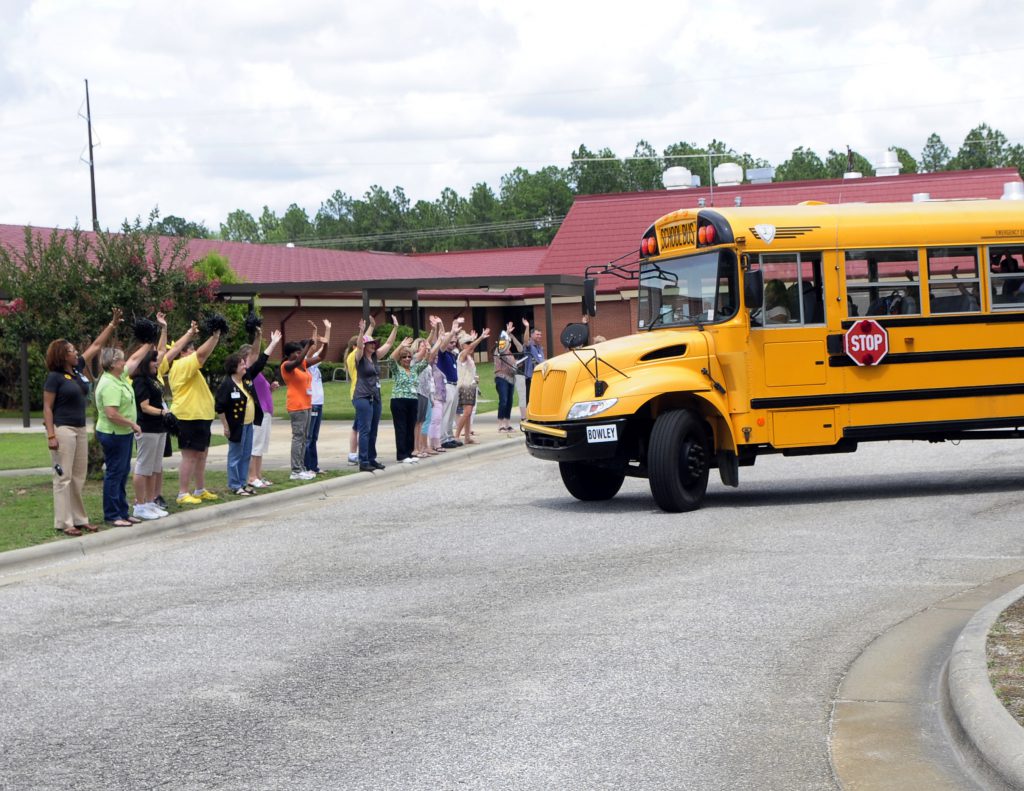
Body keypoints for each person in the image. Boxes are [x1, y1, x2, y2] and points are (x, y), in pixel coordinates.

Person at [43, 308, 124, 536]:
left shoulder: (77, 370)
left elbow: (96, 347)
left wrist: (112, 324)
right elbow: (47, 408)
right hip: (62, 429)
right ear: (61, 355)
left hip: (79, 428)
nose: (75, 352)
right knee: (63, 476)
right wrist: (51, 435)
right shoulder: (54, 378)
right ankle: (64, 522)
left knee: (78, 475)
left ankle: (79, 518)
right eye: (70, 350)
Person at [94, 340, 154, 527]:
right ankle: (112, 514)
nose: (124, 362)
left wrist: (149, 341)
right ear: (112, 364)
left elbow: (136, 358)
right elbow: (111, 414)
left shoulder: (118, 377)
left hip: (123, 433)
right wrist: (132, 424)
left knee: (122, 472)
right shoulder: (109, 384)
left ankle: (122, 511)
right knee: (115, 473)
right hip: (113, 434)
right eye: (121, 360)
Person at [130, 313, 184, 521]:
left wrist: (163, 328)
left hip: (160, 428)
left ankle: (151, 502)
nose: (157, 363)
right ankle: (140, 504)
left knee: (155, 467)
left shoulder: (154, 378)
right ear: (145, 363)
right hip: (147, 428)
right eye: (153, 362)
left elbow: (161, 351)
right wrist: (163, 412)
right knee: (143, 467)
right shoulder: (140, 381)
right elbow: (144, 407)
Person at [216, 329, 282, 496]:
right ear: (234, 368)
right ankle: (234, 485)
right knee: (235, 456)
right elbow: (220, 408)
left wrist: (272, 343)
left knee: (246, 455)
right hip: (236, 426)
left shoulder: (246, 379)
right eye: (241, 364)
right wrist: (225, 426)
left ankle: (243, 483)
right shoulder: (227, 385)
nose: (245, 366)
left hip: (248, 424)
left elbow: (260, 361)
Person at [167, 320, 223, 505]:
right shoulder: (180, 365)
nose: (192, 352)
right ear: (182, 352)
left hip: (200, 416)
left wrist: (215, 337)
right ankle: (183, 493)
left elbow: (200, 355)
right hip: (188, 416)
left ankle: (199, 489)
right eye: (189, 349)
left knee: (201, 454)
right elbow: (201, 355)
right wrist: (214, 337)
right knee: (190, 456)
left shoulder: (190, 366)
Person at [352, 316, 398, 472]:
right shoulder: (360, 359)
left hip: (375, 397)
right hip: (362, 397)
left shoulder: (375, 357)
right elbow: (358, 347)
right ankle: (363, 460)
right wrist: (360, 331)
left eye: (373, 343)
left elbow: (389, 344)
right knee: (365, 430)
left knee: (374, 430)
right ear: (365, 346)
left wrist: (395, 328)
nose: (373, 345)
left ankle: (372, 458)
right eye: (370, 343)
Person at [279, 334, 321, 481]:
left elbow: (319, 358)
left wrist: (325, 344)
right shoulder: (286, 366)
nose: (299, 354)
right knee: (298, 437)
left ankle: (301, 467)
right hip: (296, 406)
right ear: (289, 354)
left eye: (299, 351)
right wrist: (308, 346)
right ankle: (295, 470)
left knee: (304, 438)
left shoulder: (301, 365)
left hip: (307, 405)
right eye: (296, 352)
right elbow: (298, 361)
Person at [245, 330, 281, 489]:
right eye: (251, 355)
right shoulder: (248, 372)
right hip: (258, 414)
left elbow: (260, 390)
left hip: (266, 412)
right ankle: (251, 477)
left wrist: (271, 388)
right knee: (256, 446)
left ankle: (258, 475)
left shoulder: (257, 374)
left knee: (261, 447)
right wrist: (271, 342)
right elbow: (258, 356)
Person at [454, 328, 490, 445]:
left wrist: (475, 377)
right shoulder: (462, 355)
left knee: (468, 414)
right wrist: (480, 337)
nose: (470, 345)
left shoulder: (468, 356)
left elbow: (470, 349)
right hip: (464, 387)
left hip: (471, 386)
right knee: (467, 412)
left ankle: (467, 437)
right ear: (462, 345)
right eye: (467, 343)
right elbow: (470, 348)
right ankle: (456, 436)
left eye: (470, 342)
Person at [304, 319, 331, 475]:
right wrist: (314, 333)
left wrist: (327, 329)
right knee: (309, 438)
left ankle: (314, 466)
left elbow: (324, 345)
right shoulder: (307, 363)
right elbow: (312, 346)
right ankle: (308, 466)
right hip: (312, 403)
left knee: (314, 437)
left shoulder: (314, 363)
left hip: (319, 403)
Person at [438, 316, 465, 448]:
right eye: (451, 342)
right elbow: (442, 344)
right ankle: (443, 439)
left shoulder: (451, 354)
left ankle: (449, 436)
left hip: (454, 385)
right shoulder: (441, 352)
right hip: (446, 385)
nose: (453, 344)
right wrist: (452, 331)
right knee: (446, 412)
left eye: (455, 342)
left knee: (451, 413)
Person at [493, 322, 518, 432]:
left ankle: (507, 424)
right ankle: (500, 425)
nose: (508, 344)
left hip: (511, 379)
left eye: (509, 342)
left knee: (509, 401)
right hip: (501, 377)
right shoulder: (499, 350)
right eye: (507, 342)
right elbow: (502, 344)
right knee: (503, 400)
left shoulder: (510, 354)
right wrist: (507, 333)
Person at [344, 334, 360, 465]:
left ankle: (354, 453)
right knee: (359, 426)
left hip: (358, 393)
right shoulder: (353, 356)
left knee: (358, 425)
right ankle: (353, 454)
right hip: (358, 393)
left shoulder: (354, 355)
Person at [521, 317, 545, 407]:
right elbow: (526, 341)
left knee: (539, 399)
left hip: (540, 377)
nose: (539, 336)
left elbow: (541, 361)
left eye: (540, 335)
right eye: (537, 334)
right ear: (532, 335)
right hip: (530, 377)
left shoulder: (540, 348)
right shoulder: (529, 346)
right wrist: (527, 327)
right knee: (530, 400)